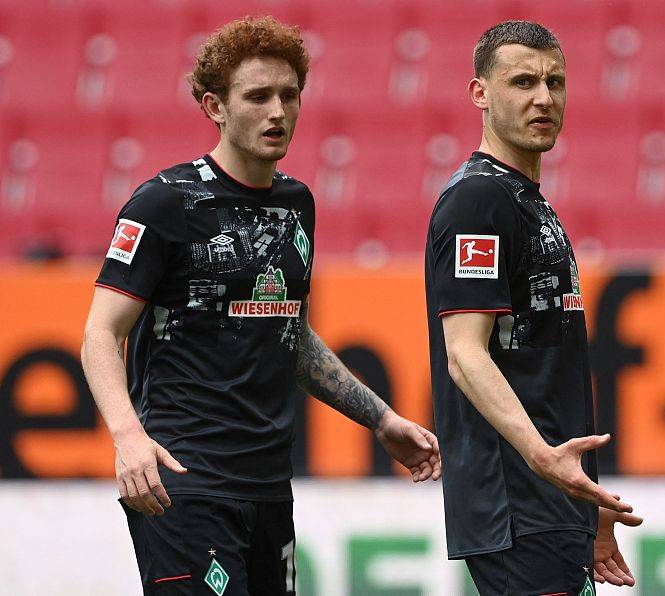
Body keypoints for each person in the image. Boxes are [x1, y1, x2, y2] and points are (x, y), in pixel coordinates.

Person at [81, 16, 440, 596]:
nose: (277, 111)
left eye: (289, 95)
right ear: (215, 106)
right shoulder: (164, 203)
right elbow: (100, 333)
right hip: (183, 482)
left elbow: (289, 334)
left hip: (270, 486)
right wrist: (127, 437)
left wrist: (381, 418)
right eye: (257, 97)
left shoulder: (298, 204)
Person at [424, 21, 642, 595]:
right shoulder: (478, 199)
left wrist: (590, 506)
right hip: (517, 505)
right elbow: (464, 354)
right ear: (480, 93)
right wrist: (543, 459)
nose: (544, 98)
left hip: (553, 504)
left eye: (555, 82)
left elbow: (549, 369)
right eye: (523, 82)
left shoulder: (526, 201)